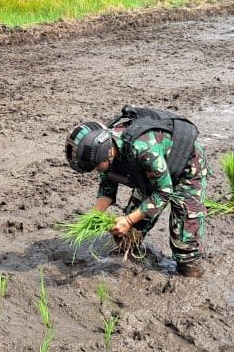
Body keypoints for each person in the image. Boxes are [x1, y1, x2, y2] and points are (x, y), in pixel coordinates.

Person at [64, 105, 208, 277]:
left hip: (186, 167)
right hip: (153, 172)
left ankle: (190, 276)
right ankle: (129, 268)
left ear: (105, 153)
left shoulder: (141, 147)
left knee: (185, 245)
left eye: (95, 166)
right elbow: (107, 186)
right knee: (128, 235)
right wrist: (95, 215)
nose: (96, 170)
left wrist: (128, 219)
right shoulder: (107, 150)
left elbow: (163, 192)